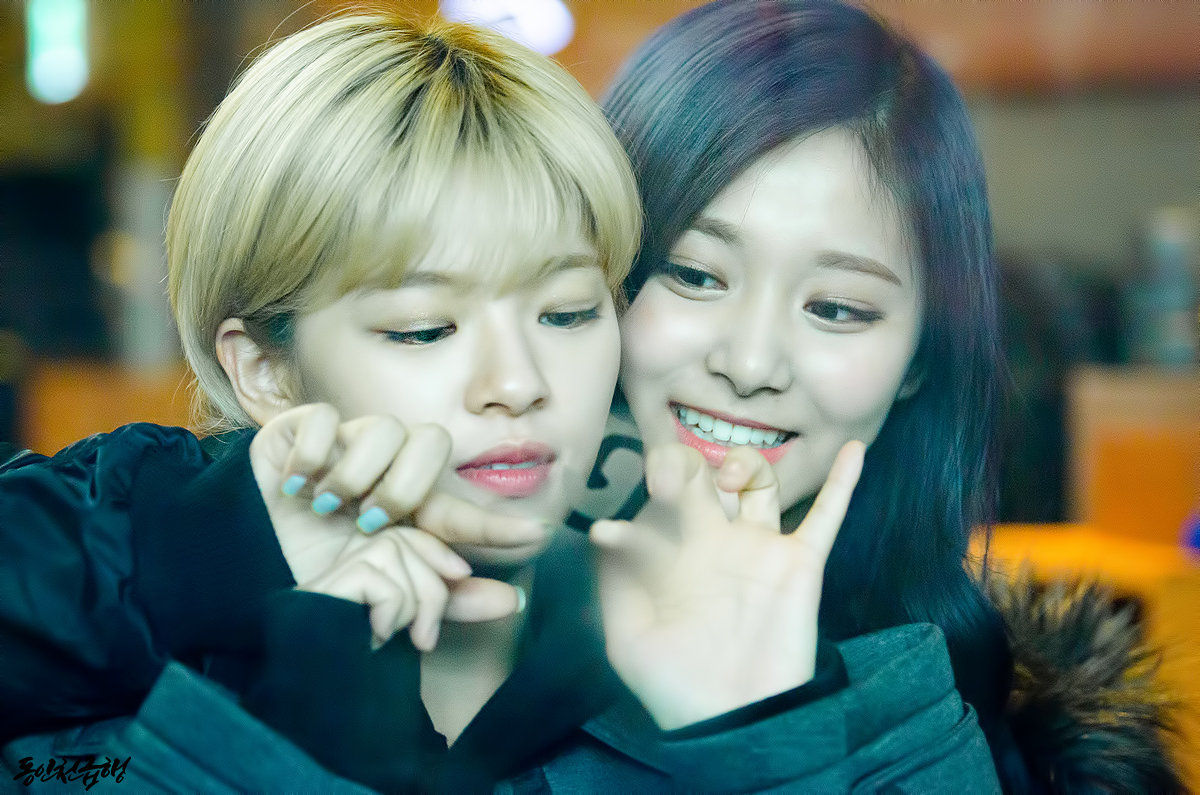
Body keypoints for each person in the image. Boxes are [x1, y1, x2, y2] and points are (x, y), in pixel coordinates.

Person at [0, 10, 871, 794]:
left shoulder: (737, 628)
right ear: (265, 369)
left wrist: (761, 744)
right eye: (424, 329)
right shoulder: (94, 656)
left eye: (568, 312)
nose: (517, 382)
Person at [590, 0, 1183, 790]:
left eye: (837, 308)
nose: (751, 362)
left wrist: (762, 737)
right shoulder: (458, 640)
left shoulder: (968, 745)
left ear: (918, 359)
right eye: (695, 274)